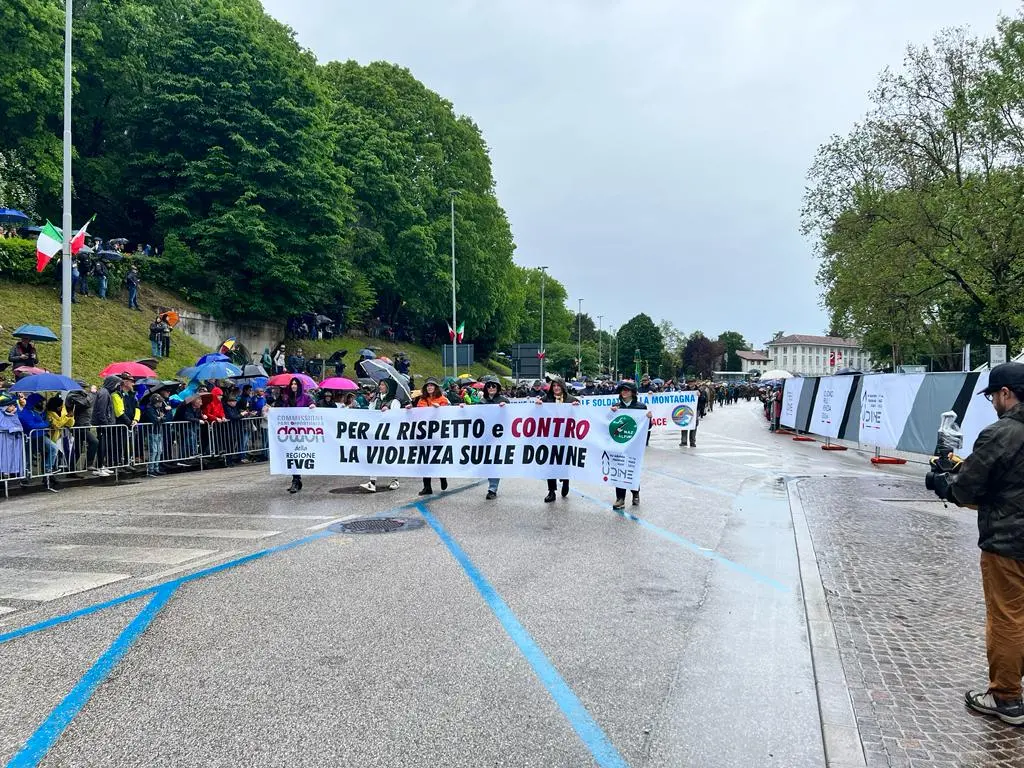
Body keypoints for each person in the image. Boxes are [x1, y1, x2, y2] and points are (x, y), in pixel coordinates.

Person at [926, 362, 1024, 724]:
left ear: (1005, 393)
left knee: (1008, 619)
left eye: (993, 397)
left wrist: (942, 479)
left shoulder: (1003, 432)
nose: (993, 404)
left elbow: (969, 488)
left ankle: (1006, 698)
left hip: (1010, 542)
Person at [610, 381, 651, 510]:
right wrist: (611, 413)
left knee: (632, 469)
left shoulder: (641, 407)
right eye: (622, 390)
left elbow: (646, 426)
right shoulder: (616, 406)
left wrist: (649, 418)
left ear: (633, 392)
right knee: (619, 469)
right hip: (620, 444)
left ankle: (635, 493)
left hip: (634, 444)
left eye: (627, 390)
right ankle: (620, 498)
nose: (624, 392)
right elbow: (609, 423)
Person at [538, 378, 580, 503]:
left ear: (562, 387)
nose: (556, 388)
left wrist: (577, 407)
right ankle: (551, 491)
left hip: (566, 437)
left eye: (558, 385)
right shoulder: (546, 399)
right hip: (550, 437)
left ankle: (565, 480)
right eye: (554, 386)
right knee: (550, 464)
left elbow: (580, 415)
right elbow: (537, 412)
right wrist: (537, 404)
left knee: (564, 461)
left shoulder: (571, 400)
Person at [361, 379, 401, 493]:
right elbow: (370, 413)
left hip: (389, 433)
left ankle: (395, 479)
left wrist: (388, 411)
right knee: (374, 456)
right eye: (380, 384)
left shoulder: (394, 402)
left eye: (383, 384)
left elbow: (397, 417)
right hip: (376, 433)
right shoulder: (376, 399)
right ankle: (372, 482)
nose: (380, 386)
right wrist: (371, 403)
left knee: (391, 456)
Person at [411, 378, 450, 496]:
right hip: (424, 434)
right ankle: (427, 486)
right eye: (428, 386)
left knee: (437, 458)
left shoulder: (442, 399)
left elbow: (449, 414)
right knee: (425, 460)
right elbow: (418, 414)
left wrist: (440, 409)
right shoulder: (421, 400)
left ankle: (442, 477)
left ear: (436, 387)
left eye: (432, 386)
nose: (429, 388)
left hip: (437, 434)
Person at [277, 377, 315, 493]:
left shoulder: (306, 397)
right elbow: (282, 411)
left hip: (302, 431)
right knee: (293, 456)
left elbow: (312, 404)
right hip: (291, 432)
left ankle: (296, 480)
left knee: (299, 455)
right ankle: (296, 479)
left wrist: (312, 406)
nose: (293, 386)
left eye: (295, 384)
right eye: (292, 384)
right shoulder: (287, 398)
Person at [479, 375, 509, 500]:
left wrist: (506, 408)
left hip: (498, 437)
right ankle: (492, 485)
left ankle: (492, 488)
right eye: (489, 386)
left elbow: (511, 418)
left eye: (494, 386)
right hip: (485, 436)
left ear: (498, 387)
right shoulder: (481, 401)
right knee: (487, 462)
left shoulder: (504, 401)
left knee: (494, 462)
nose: (491, 388)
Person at [90, 376, 119, 476]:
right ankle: (99, 467)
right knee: (102, 445)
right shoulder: (104, 393)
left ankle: (101, 465)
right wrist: (105, 423)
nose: (117, 386)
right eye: (116, 384)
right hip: (102, 425)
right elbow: (101, 411)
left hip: (105, 424)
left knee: (104, 445)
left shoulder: (106, 393)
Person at [142, 391, 169, 477]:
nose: (161, 403)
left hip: (158, 431)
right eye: (159, 402)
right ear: (155, 402)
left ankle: (156, 468)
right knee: (153, 451)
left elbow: (165, 418)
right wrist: (160, 418)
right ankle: (151, 469)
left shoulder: (159, 408)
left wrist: (161, 418)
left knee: (159, 450)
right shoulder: (149, 408)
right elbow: (154, 419)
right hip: (152, 432)